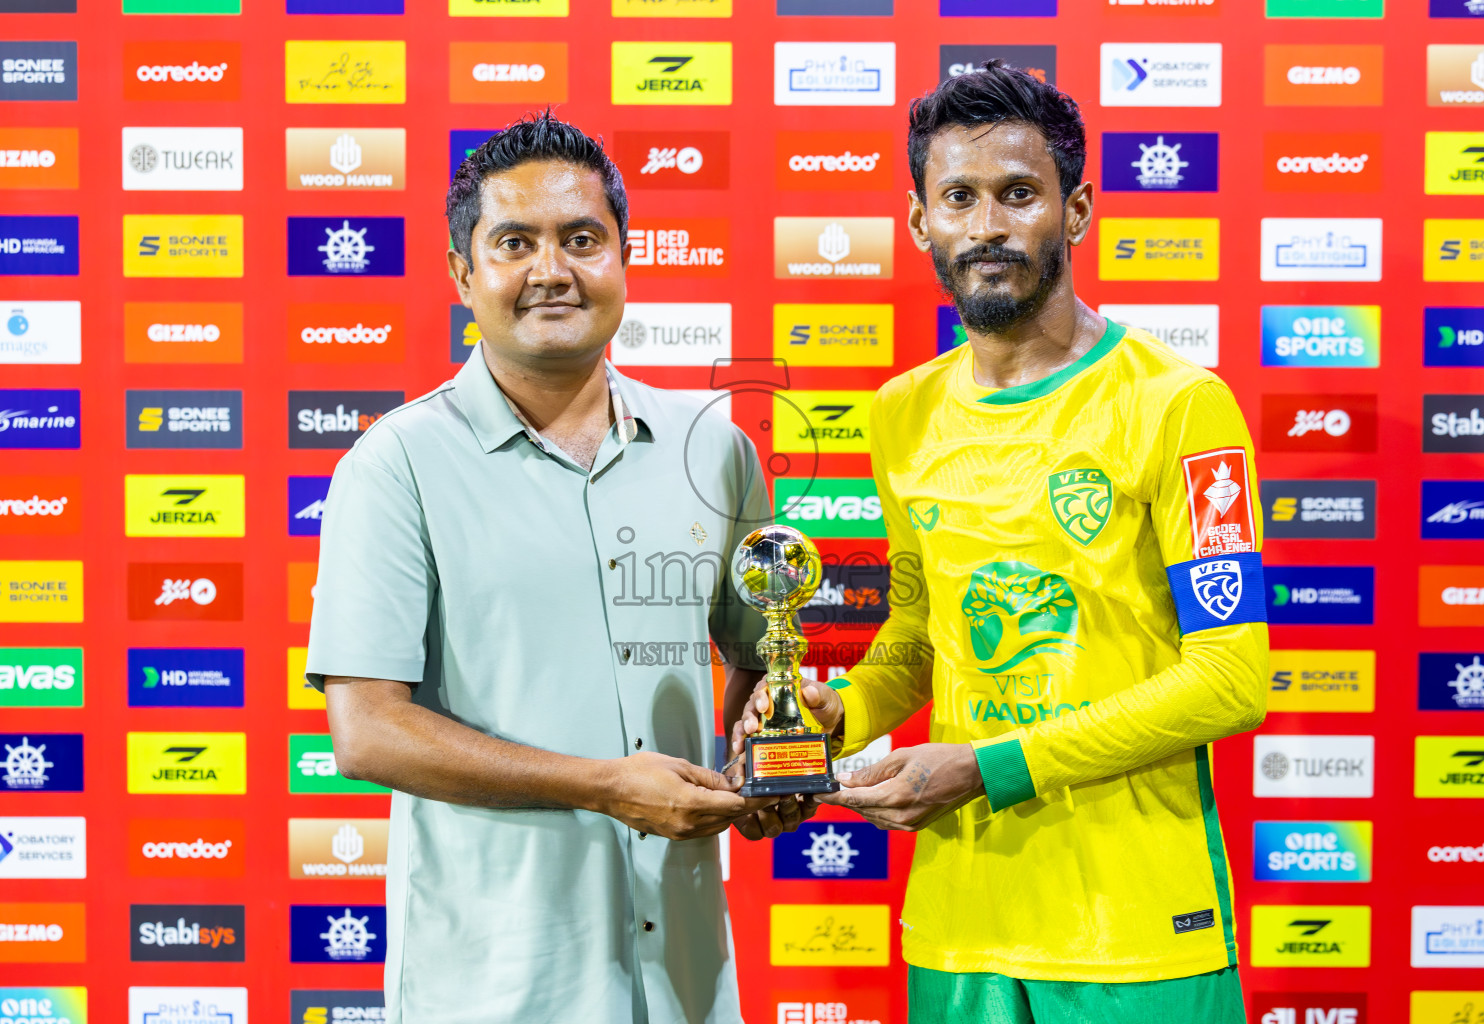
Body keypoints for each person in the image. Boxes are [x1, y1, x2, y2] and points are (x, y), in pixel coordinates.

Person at [734, 62, 1269, 1022]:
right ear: (918, 222)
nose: (987, 225)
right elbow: (916, 636)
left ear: (1078, 211)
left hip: (1136, 935)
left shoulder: (1182, 406)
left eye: (1019, 194)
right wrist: (831, 718)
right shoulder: (902, 412)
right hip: (959, 926)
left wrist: (987, 767)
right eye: (960, 198)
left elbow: (1232, 677)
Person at [308, 111, 798, 1024]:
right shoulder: (396, 464)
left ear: (623, 258)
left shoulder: (712, 444)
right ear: (463, 274)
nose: (552, 271)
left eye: (582, 239)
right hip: (499, 981)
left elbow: (761, 659)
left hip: (687, 974)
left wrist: (760, 762)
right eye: (514, 243)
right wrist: (607, 786)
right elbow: (368, 731)